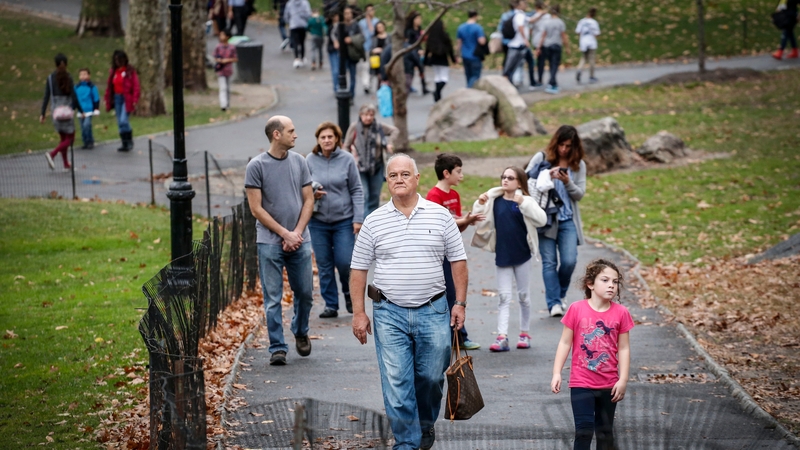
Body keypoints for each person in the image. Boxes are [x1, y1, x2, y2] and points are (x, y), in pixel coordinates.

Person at [350, 153, 468, 450]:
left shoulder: (440, 216)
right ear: (387, 181)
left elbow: (458, 261)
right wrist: (359, 313)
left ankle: (425, 425)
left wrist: (460, 303)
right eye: (393, 175)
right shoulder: (374, 221)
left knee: (430, 379)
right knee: (397, 382)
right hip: (388, 313)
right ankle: (406, 442)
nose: (399, 179)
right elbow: (358, 269)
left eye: (405, 174)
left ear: (417, 179)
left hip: (434, 309)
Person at [244, 115, 315, 366]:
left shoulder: (300, 161)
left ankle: (300, 329)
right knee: (273, 297)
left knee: (305, 293)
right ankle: (277, 347)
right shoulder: (256, 166)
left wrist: (296, 232)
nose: (295, 135)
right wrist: (284, 234)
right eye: (291, 131)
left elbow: (309, 200)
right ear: (277, 134)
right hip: (269, 241)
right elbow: (256, 209)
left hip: (300, 239)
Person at [551, 258, 633, 450]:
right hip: (581, 382)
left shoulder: (621, 313)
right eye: (605, 280)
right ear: (590, 284)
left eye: (615, 282)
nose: (611, 285)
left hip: (609, 383)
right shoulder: (576, 309)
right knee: (584, 430)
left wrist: (623, 380)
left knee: (605, 433)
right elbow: (565, 342)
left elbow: (624, 348)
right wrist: (557, 372)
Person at [471, 167, 546, 352]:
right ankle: (502, 336)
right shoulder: (494, 201)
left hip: (522, 255)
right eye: (503, 177)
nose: (505, 180)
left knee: (523, 297)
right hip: (503, 255)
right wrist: (480, 203)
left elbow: (541, 220)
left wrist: (524, 203)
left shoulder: (526, 201)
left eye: (510, 178)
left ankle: (524, 333)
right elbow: (479, 220)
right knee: (504, 297)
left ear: (519, 182)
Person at [525, 125, 586, 317]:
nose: (564, 150)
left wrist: (568, 182)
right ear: (555, 143)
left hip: (567, 220)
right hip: (545, 219)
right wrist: (545, 176)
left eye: (568, 146)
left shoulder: (578, 165)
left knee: (569, 261)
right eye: (561, 145)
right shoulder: (541, 158)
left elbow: (579, 195)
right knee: (549, 263)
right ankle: (554, 304)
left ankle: (559, 294)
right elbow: (525, 181)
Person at [425, 154, 485, 350]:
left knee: (455, 293)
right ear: (446, 173)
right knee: (448, 294)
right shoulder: (434, 196)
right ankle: (455, 337)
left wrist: (466, 222)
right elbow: (439, 226)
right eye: (458, 171)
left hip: (452, 253)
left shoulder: (455, 196)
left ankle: (458, 337)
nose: (461, 175)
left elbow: (456, 228)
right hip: (438, 255)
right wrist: (464, 220)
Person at [306, 122, 364, 319]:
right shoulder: (310, 160)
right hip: (318, 221)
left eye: (330, 137)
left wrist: (358, 218)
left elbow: (356, 189)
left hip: (343, 220)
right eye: (323, 137)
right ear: (318, 140)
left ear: (337, 139)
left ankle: (349, 295)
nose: (326, 140)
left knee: (344, 261)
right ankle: (330, 304)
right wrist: (313, 194)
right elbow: (302, 188)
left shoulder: (347, 159)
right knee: (324, 264)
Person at [343, 104, 398, 217]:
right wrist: (349, 160)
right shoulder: (354, 127)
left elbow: (395, 131)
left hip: (376, 167)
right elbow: (346, 146)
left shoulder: (378, 127)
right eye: (365, 115)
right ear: (360, 115)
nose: (368, 117)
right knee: (364, 195)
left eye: (371, 115)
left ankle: (373, 222)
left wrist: (389, 143)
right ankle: (364, 223)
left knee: (374, 196)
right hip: (359, 167)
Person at [40, 53, 83, 171]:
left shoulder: (50, 78)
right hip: (67, 113)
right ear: (66, 64)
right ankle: (52, 154)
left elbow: (46, 97)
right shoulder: (69, 77)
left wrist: (42, 113)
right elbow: (74, 96)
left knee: (63, 138)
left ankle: (65, 164)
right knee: (70, 139)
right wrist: (81, 110)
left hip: (56, 113)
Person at [104, 50, 140, 152]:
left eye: (120, 59)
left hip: (126, 98)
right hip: (117, 98)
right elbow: (110, 87)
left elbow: (136, 85)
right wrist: (107, 98)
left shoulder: (130, 71)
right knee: (119, 121)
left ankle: (129, 140)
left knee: (124, 120)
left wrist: (135, 99)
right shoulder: (113, 72)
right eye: (116, 60)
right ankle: (124, 143)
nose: (118, 62)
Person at [537, 4, 570, 94]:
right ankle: (551, 82)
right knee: (555, 64)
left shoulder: (547, 22)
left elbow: (543, 35)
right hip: (556, 45)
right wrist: (567, 47)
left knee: (551, 64)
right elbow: (563, 36)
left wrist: (539, 47)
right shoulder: (560, 22)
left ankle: (553, 82)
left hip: (547, 45)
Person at [331, 6, 361, 99]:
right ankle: (341, 91)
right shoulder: (339, 25)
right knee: (341, 74)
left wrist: (351, 39)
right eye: (346, 13)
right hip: (343, 54)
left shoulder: (355, 25)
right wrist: (336, 42)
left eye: (349, 13)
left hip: (352, 53)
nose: (348, 15)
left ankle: (351, 95)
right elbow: (333, 34)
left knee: (353, 75)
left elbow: (360, 37)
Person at [424, 19, 457, 102]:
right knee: (444, 78)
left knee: (438, 76)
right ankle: (437, 92)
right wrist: (453, 59)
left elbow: (427, 49)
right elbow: (450, 49)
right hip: (443, 59)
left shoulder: (431, 37)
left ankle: (437, 95)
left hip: (434, 59)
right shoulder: (445, 36)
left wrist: (425, 60)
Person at [502, 0, 530, 87]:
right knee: (512, 65)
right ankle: (508, 82)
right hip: (515, 44)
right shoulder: (520, 15)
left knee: (511, 64)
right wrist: (525, 39)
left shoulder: (507, 15)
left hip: (508, 42)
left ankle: (510, 82)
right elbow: (520, 26)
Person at [456, 10, 487, 88]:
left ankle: (468, 88)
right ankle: (469, 89)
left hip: (465, 54)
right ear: (475, 16)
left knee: (468, 75)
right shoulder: (478, 28)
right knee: (475, 76)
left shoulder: (461, 27)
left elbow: (459, 43)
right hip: (475, 55)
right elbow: (482, 41)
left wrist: (457, 54)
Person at [74, 68, 100, 150]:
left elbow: (96, 98)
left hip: (89, 110)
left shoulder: (92, 87)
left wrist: (96, 109)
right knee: (82, 127)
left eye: (85, 74)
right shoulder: (76, 87)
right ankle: (85, 141)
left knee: (86, 125)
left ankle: (90, 141)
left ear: (89, 75)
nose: (83, 76)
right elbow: (74, 99)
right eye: (81, 74)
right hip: (80, 110)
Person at [404, 11, 429, 95]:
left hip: (419, 52)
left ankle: (424, 86)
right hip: (411, 52)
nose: (419, 20)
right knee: (410, 70)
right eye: (417, 18)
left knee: (421, 69)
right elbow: (407, 43)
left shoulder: (419, 29)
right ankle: (408, 85)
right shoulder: (409, 31)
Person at [214, 29, 238, 111]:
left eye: (223, 35)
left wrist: (227, 60)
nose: (221, 37)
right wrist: (219, 60)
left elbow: (235, 58)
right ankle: (223, 105)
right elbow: (215, 57)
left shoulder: (232, 47)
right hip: (221, 70)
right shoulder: (218, 47)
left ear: (227, 37)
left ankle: (227, 104)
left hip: (228, 70)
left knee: (227, 88)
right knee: (223, 87)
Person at [358, 4, 380, 94]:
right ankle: (366, 84)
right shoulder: (361, 23)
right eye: (368, 10)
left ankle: (371, 83)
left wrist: (369, 22)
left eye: (372, 10)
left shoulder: (377, 22)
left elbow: (372, 32)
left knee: (374, 67)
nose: (370, 12)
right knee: (365, 67)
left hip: (374, 48)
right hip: (365, 48)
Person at [575, 7, 600, 83]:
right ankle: (591, 76)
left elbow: (578, 31)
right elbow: (597, 34)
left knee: (584, 58)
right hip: (591, 42)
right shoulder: (594, 22)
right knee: (591, 59)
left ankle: (579, 69)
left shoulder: (582, 21)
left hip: (583, 42)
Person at [529, 0, 550, 87]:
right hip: (547, 40)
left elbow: (530, 30)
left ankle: (539, 78)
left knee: (539, 61)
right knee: (546, 60)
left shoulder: (534, 17)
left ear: (535, 7)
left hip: (537, 40)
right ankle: (548, 78)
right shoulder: (548, 16)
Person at [284, 0, 312, 68]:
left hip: (293, 25)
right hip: (303, 25)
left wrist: (289, 21)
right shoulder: (305, 2)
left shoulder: (289, 3)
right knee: (302, 42)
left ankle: (296, 59)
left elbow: (286, 15)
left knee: (295, 42)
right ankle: (302, 57)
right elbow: (308, 14)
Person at [369, 21, 389, 92]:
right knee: (379, 77)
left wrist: (382, 50)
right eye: (378, 27)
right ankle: (380, 91)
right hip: (377, 60)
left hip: (386, 59)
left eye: (381, 27)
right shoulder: (374, 38)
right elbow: (370, 49)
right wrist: (374, 50)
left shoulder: (389, 37)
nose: (380, 29)